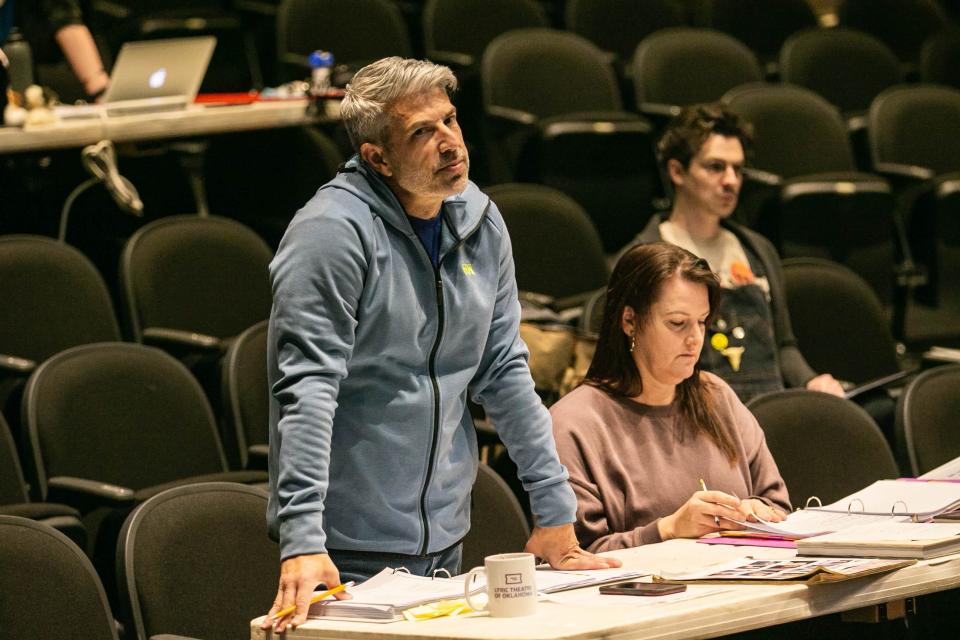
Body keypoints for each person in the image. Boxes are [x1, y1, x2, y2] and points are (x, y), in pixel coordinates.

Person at [262, 57, 619, 633]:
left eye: (449, 120)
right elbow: (307, 390)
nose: (449, 142)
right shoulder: (329, 235)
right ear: (378, 157)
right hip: (342, 552)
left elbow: (503, 371)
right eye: (422, 133)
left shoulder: (479, 220)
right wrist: (302, 539)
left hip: (447, 540)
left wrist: (555, 510)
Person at [552, 242, 791, 552]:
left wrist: (757, 511)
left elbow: (777, 503)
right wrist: (668, 529)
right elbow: (575, 557)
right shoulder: (573, 424)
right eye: (677, 323)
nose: (695, 339)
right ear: (629, 321)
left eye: (702, 322)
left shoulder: (717, 397)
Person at [619, 103, 844, 403]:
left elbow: (784, 346)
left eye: (737, 169)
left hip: (768, 413)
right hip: (693, 415)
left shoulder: (758, 250)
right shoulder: (643, 257)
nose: (731, 181)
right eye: (715, 167)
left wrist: (811, 380)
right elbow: (634, 364)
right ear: (677, 171)